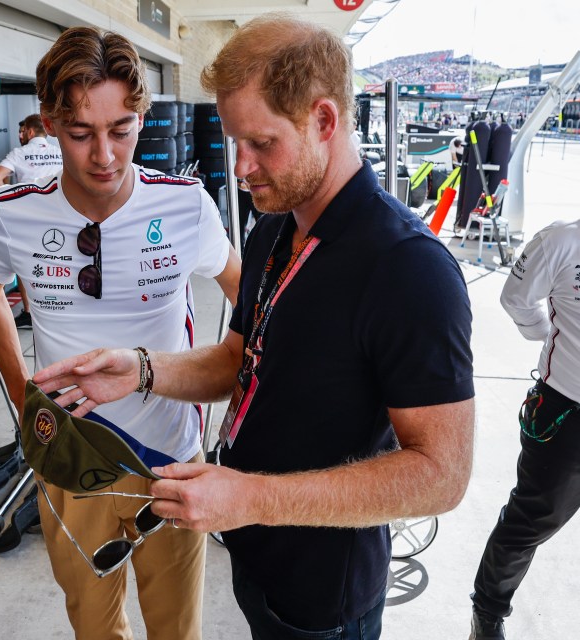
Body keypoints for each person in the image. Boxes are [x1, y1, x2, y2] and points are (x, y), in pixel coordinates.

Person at [33, 15, 475, 639]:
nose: (241, 168)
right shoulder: (275, 226)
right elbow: (240, 359)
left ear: (324, 120)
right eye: (233, 141)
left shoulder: (407, 269)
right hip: (255, 552)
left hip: (323, 590)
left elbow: (441, 475)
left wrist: (251, 498)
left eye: (261, 143)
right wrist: (144, 370)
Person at [0, 26, 241, 640]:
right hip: (69, 455)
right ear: (47, 124)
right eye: (81, 133)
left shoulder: (185, 206)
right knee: (93, 627)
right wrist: (22, 396)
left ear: (141, 119)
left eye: (121, 130)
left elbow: (246, 296)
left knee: (176, 628)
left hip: (169, 456)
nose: (104, 156)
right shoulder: (13, 213)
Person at [468, 219, 580, 640]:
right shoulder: (562, 240)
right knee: (530, 521)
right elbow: (516, 297)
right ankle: (487, 614)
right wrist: (551, 339)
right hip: (566, 414)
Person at [0, 114, 64, 328]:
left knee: (25, 263)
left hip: (29, 215)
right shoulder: (58, 151)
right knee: (60, 261)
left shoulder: (20, 153)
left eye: (22, 131)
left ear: (30, 132)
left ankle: (30, 312)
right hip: (59, 211)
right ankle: (59, 307)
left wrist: (8, 201)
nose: (21, 135)